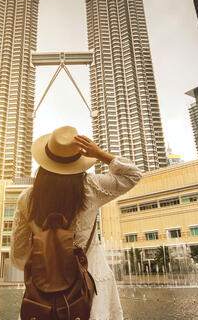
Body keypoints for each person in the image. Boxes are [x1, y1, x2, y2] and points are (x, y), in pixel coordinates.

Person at [11, 126, 142, 320]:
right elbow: (133, 175)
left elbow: (18, 254)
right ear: (79, 161)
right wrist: (99, 154)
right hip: (92, 282)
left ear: (45, 160)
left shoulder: (27, 198)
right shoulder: (91, 188)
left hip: (43, 290)